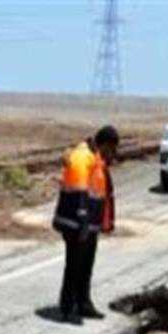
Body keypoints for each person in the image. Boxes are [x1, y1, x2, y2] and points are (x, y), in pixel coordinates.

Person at [51, 125, 118, 321]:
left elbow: (99, 193)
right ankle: (67, 307)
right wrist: (82, 223)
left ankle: (83, 304)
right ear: (104, 144)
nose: (112, 154)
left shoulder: (95, 158)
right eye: (112, 149)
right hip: (76, 223)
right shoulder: (82, 157)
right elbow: (80, 191)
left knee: (86, 265)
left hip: (88, 225)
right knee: (74, 265)